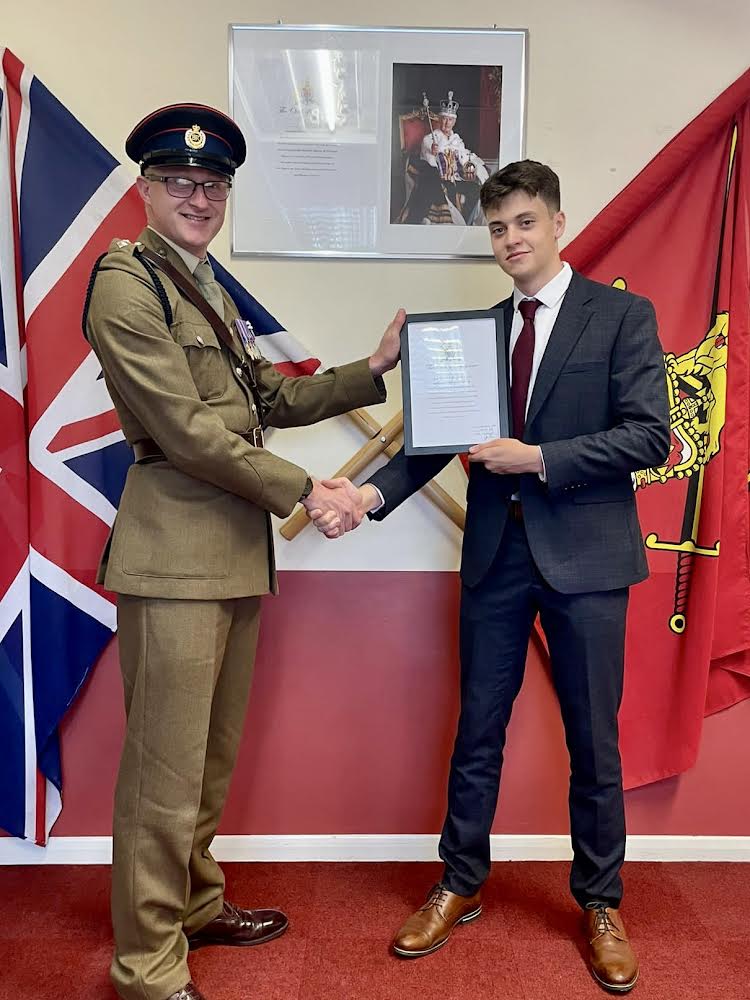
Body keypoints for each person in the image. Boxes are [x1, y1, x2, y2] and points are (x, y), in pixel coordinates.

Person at [310, 160, 670, 993]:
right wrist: (363, 495)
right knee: (477, 734)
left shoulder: (621, 316)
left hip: (588, 560)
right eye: (499, 227)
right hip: (496, 561)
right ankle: (459, 882)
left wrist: (541, 457)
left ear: (558, 222)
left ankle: (602, 900)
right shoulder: (470, 332)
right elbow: (431, 443)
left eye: (526, 223)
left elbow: (650, 436)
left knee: (594, 741)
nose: (512, 239)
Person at [84, 103, 402, 1000]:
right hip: (173, 552)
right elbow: (186, 432)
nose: (198, 198)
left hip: (228, 552)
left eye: (213, 185)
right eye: (179, 182)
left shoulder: (204, 283)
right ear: (145, 188)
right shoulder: (127, 281)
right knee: (163, 770)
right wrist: (311, 490)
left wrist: (370, 369)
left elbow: (262, 393)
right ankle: (146, 965)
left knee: (208, 759)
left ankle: (193, 905)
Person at [401, 91, 489, 225]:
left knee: (476, 190)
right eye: (444, 119)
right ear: (440, 120)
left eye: (450, 120)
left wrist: (472, 166)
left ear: (454, 122)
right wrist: (433, 150)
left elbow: (465, 157)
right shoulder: (431, 138)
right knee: (433, 181)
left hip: (456, 178)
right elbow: (428, 152)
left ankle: (466, 222)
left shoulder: (457, 140)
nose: (446, 123)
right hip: (438, 176)